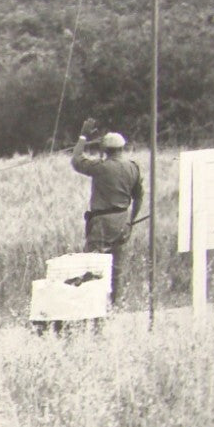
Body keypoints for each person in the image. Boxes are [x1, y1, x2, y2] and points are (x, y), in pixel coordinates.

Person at [71, 119, 144, 305]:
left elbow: (76, 161)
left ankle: (91, 305)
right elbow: (139, 198)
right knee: (116, 268)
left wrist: (83, 136)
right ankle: (114, 304)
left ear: (105, 150)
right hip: (122, 220)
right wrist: (130, 222)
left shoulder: (101, 168)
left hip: (102, 221)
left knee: (91, 264)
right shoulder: (133, 168)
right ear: (122, 148)